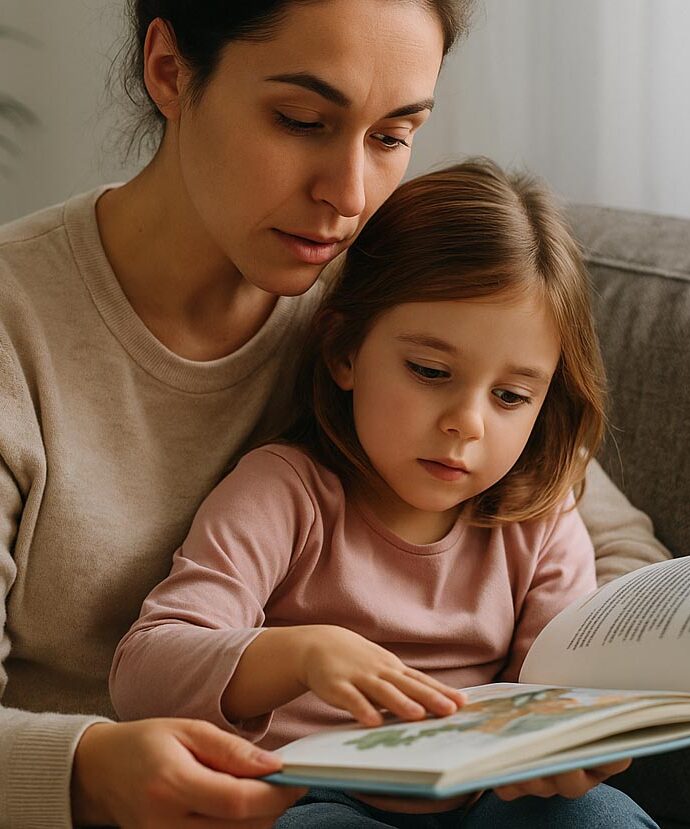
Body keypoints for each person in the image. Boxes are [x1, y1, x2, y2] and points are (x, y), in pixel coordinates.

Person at [0, 1, 668, 827]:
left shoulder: (395, 292)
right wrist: (86, 769)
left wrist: (593, 696)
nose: (349, 196)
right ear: (169, 69)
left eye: (393, 135)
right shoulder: (17, 333)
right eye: (301, 119)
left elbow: (581, 512)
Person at [110, 159, 658, 828]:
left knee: (599, 814)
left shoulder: (540, 518)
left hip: (485, 793)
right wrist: (302, 655)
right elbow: (143, 669)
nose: (467, 422)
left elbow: (553, 684)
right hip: (309, 790)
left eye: (512, 395)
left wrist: (570, 744)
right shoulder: (286, 492)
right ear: (343, 349)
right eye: (430, 370)